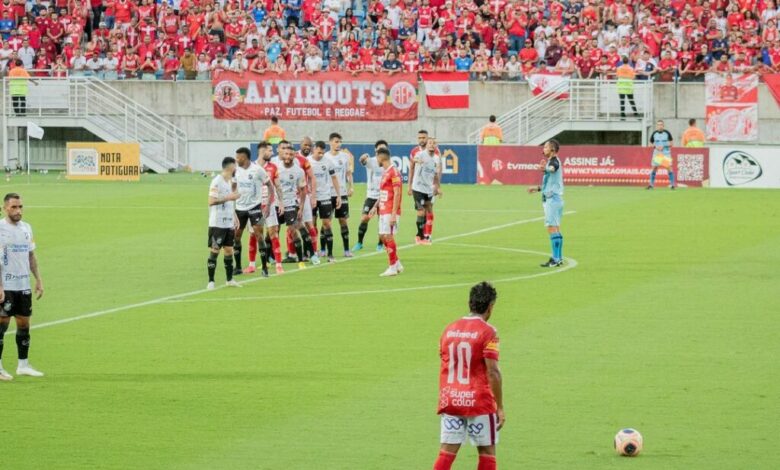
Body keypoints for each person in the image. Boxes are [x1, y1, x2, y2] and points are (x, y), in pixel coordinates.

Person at [433, 282, 503, 470]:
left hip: (451, 398)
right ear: (490, 307)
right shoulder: (488, 332)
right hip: (478, 401)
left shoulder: (449, 329)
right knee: (487, 451)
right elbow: (492, 371)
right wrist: (500, 407)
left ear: (469, 303)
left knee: (447, 452)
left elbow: (444, 359)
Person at [0, 193, 45, 380]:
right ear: (5, 208)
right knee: (1, 327)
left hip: (23, 285)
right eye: (14, 207)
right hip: (6, 286)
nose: (18, 211)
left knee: (24, 325)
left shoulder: (27, 228)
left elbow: (31, 256)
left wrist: (39, 280)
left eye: (20, 207)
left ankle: (23, 365)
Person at [232, 147, 274, 277]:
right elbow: (232, 189)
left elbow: (270, 186)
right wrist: (232, 209)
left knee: (259, 236)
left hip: (255, 208)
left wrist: (267, 205)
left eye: (238, 157)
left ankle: (264, 268)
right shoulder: (235, 171)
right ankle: (238, 267)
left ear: (244, 157)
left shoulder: (257, 170)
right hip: (240, 209)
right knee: (236, 237)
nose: (236, 159)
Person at [249, 141, 286, 274]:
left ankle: (278, 265)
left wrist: (281, 202)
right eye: (270, 151)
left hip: (269, 205)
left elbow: (278, 186)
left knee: (273, 233)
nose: (273, 153)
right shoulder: (250, 167)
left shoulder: (273, 167)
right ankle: (252, 264)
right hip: (253, 206)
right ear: (262, 151)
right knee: (254, 234)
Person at [527, 139, 565, 267]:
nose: (543, 149)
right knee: (556, 229)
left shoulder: (554, 161)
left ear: (552, 149)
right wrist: (537, 189)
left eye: (546, 147)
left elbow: (553, 169)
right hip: (555, 199)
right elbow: (549, 182)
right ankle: (558, 258)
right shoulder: (551, 162)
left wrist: (545, 168)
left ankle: (555, 259)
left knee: (551, 228)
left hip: (552, 200)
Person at [207, 157, 242, 290]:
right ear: (230, 168)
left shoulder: (229, 182)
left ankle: (229, 280)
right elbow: (211, 201)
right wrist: (229, 197)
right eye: (235, 167)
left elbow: (229, 202)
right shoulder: (217, 182)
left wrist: (234, 216)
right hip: (217, 224)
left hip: (228, 223)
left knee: (229, 250)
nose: (236, 169)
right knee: (215, 250)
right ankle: (211, 281)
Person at [276, 142, 308, 270]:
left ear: (294, 155)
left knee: (293, 231)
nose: (288, 156)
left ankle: (300, 261)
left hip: (290, 204)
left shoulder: (298, 171)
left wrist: (300, 207)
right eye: (286, 154)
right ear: (282, 154)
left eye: (290, 154)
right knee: (272, 233)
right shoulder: (276, 168)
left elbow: (302, 190)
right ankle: (268, 261)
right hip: (276, 205)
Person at [308, 140, 342, 263]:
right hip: (311, 197)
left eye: (323, 153)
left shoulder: (328, 162)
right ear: (314, 149)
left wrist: (338, 196)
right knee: (312, 225)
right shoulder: (307, 162)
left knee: (327, 224)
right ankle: (313, 252)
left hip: (325, 197)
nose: (321, 155)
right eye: (319, 152)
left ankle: (330, 254)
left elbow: (334, 178)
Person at [353, 140, 387, 253]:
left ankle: (380, 244)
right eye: (380, 149)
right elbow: (362, 160)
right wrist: (363, 157)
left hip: (384, 196)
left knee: (381, 222)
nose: (381, 151)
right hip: (371, 196)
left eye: (384, 148)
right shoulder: (371, 161)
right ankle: (359, 243)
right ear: (375, 150)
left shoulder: (388, 164)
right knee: (364, 218)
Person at [323, 132, 353, 257]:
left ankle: (346, 250)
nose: (338, 144)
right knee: (326, 221)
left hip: (342, 192)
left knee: (343, 221)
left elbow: (348, 173)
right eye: (336, 141)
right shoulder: (324, 157)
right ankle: (323, 250)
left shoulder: (345, 157)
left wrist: (351, 186)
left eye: (340, 142)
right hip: (327, 194)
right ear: (330, 142)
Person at [375, 147, 404, 277]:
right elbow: (383, 192)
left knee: (388, 236)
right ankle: (397, 263)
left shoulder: (394, 172)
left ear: (381, 157)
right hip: (382, 209)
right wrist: (374, 206)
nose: (376, 160)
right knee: (382, 236)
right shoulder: (386, 172)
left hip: (390, 210)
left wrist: (393, 213)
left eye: (376, 157)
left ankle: (392, 267)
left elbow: (397, 193)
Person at [408, 137, 441, 245]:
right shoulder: (421, 154)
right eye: (430, 143)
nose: (432, 145)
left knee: (429, 210)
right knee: (421, 211)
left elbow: (435, 174)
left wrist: (437, 187)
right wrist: (418, 160)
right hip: (418, 187)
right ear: (426, 145)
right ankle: (419, 236)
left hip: (428, 189)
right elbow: (415, 159)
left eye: (434, 143)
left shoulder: (436, 158)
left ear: (436, 146)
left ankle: (427, 235)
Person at [294, 137, 319, 264]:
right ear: (300, 145)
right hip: (291, 198)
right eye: (305, 145)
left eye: (309, 145)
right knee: (292, 227)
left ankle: (314, 252)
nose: (307, 147)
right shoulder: (286, 159)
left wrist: (313, 196)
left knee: (309, 224)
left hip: (305, 195)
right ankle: (294, 253)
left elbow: (312, 178)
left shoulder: (304, 161)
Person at [648, 120, 676, 190]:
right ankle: (651, 185)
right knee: (654, 168)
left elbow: (671, 143)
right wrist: (655, 147)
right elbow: (650, 143)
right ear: (657, 126)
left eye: (661, 125)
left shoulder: (667, 133)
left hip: (665, 153)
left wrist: (664, 145)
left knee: (669, 168)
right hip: (658, 153)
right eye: (658, 125)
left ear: (663, 126)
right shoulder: (654, 133)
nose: (660, 126)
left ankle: (672, 185)